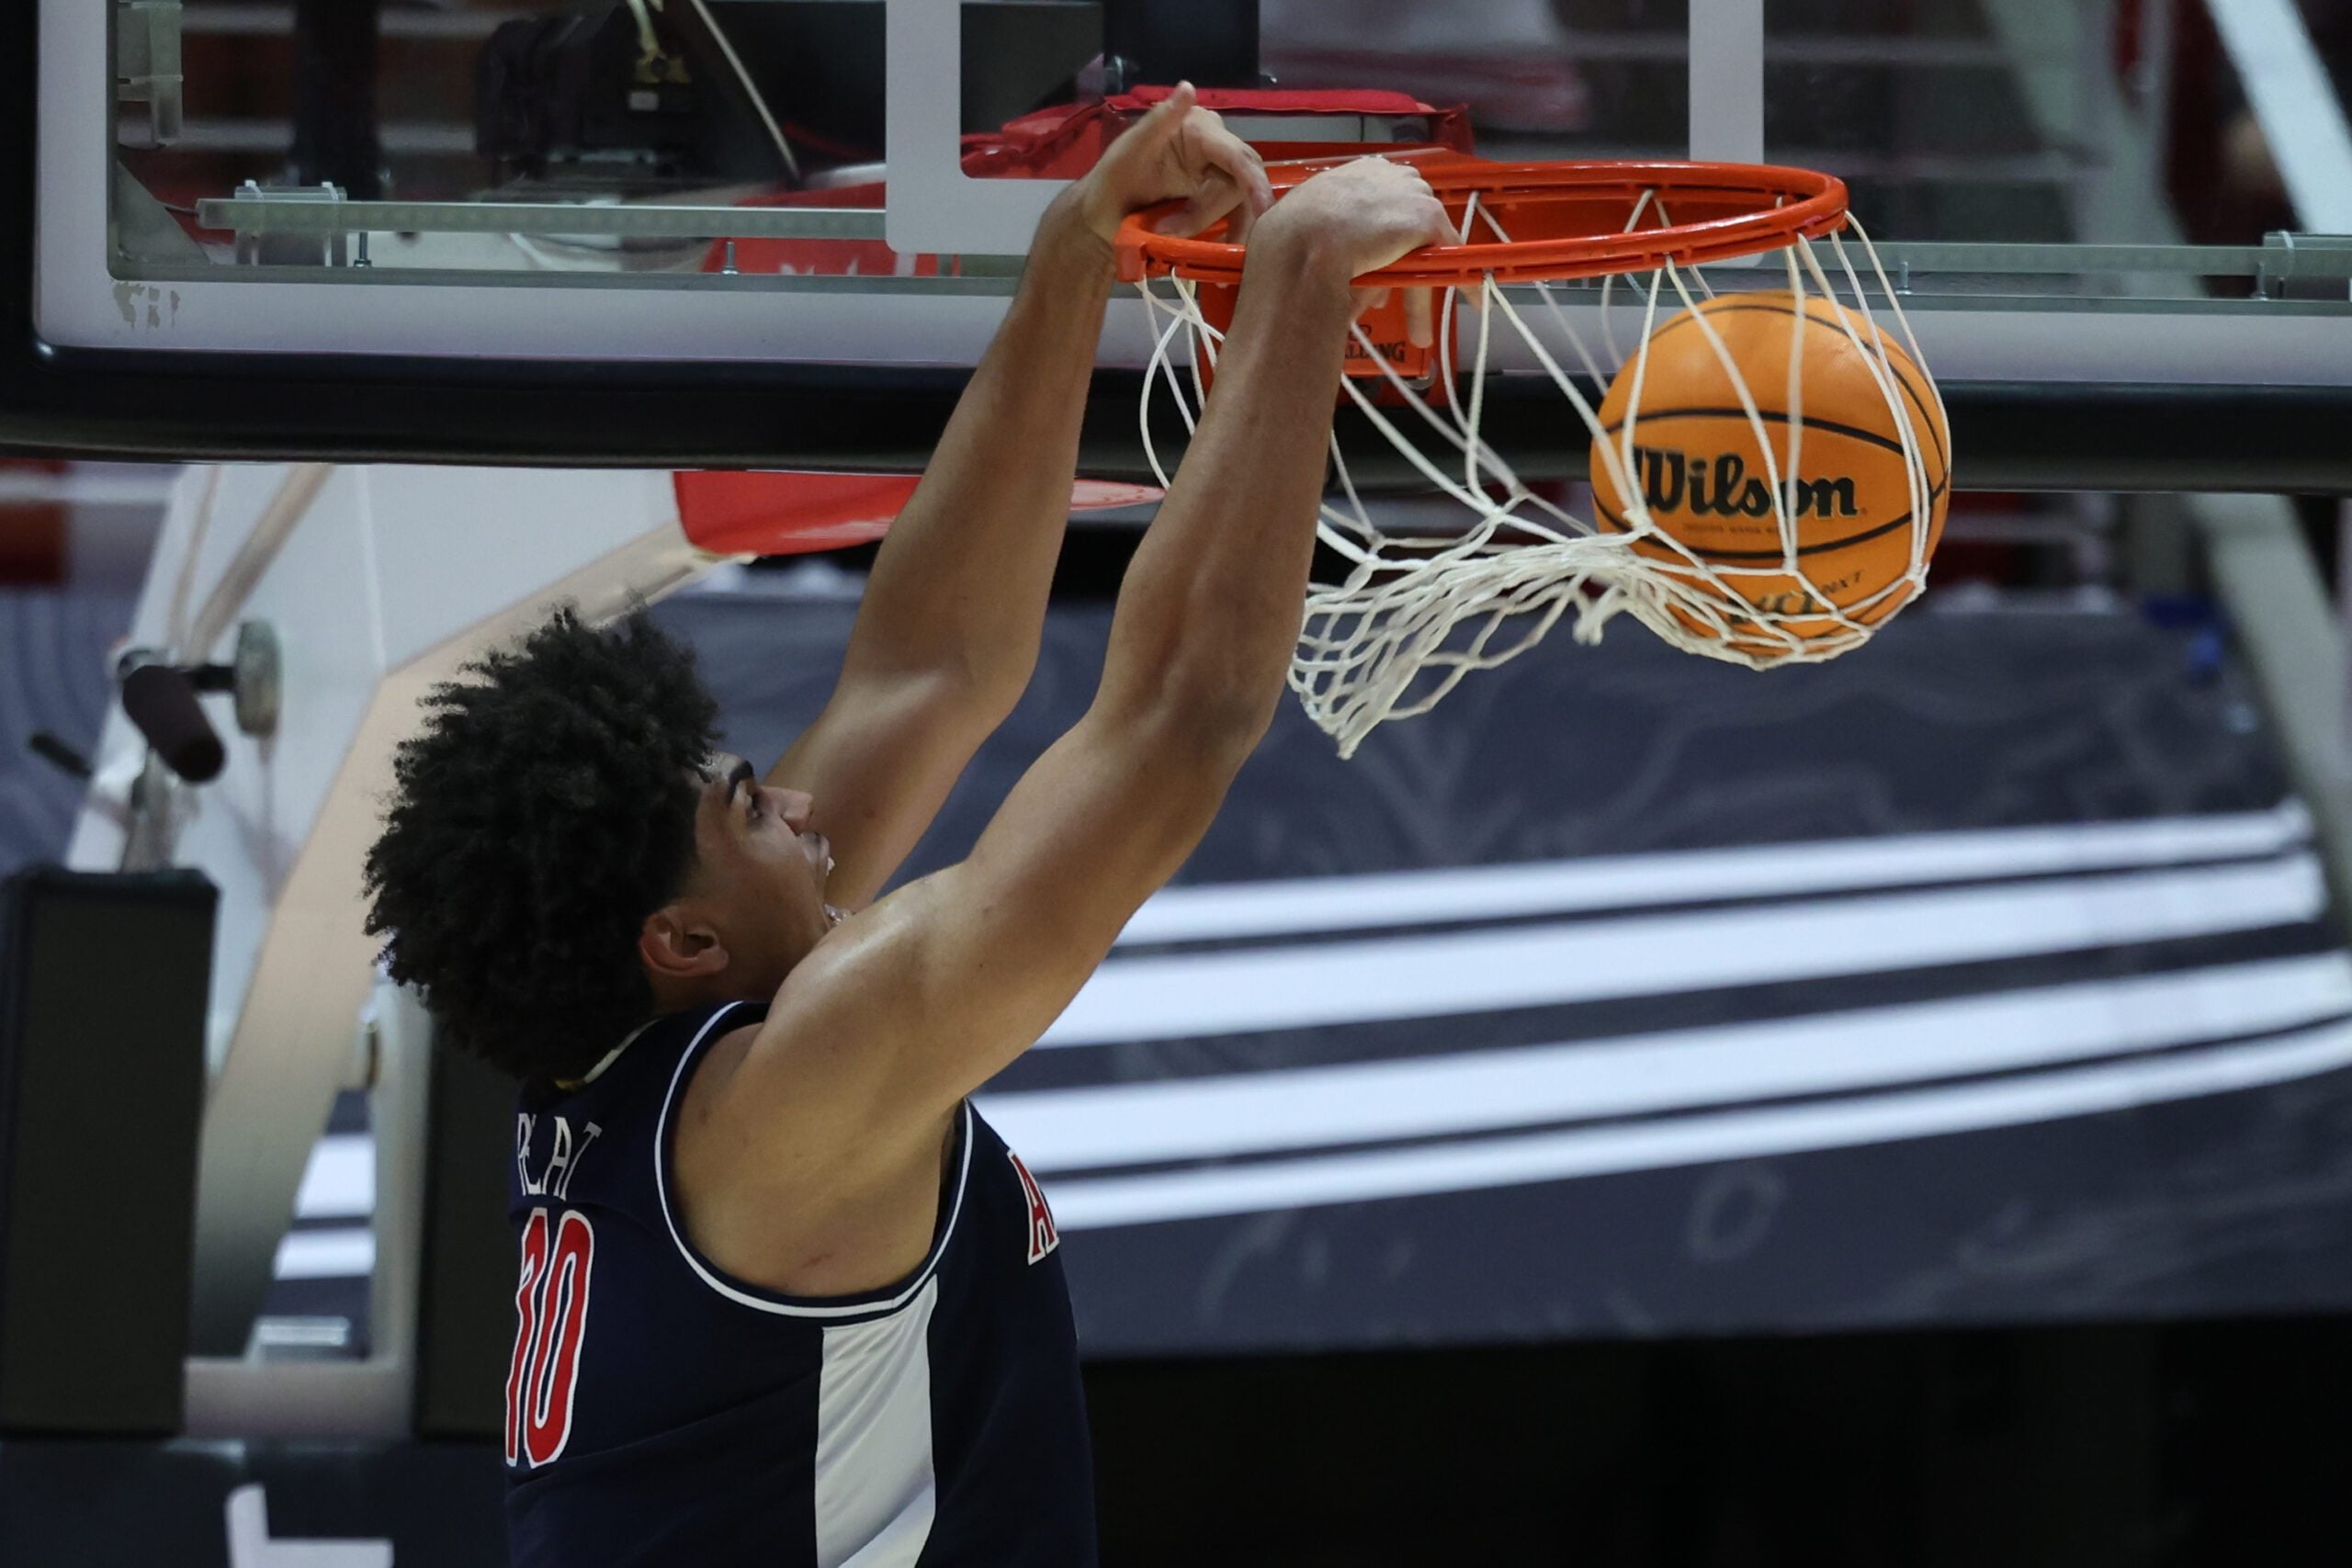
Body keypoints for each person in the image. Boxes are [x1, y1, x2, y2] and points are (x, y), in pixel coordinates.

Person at [362, 85, 1454, 1568]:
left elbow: (927, 667)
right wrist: (1304, 284)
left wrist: (1079, 250)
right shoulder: (783, 1104)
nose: (800, 805)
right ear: (677, 935)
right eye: (748, 806)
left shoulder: (676, 1063)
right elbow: (1173, 725)